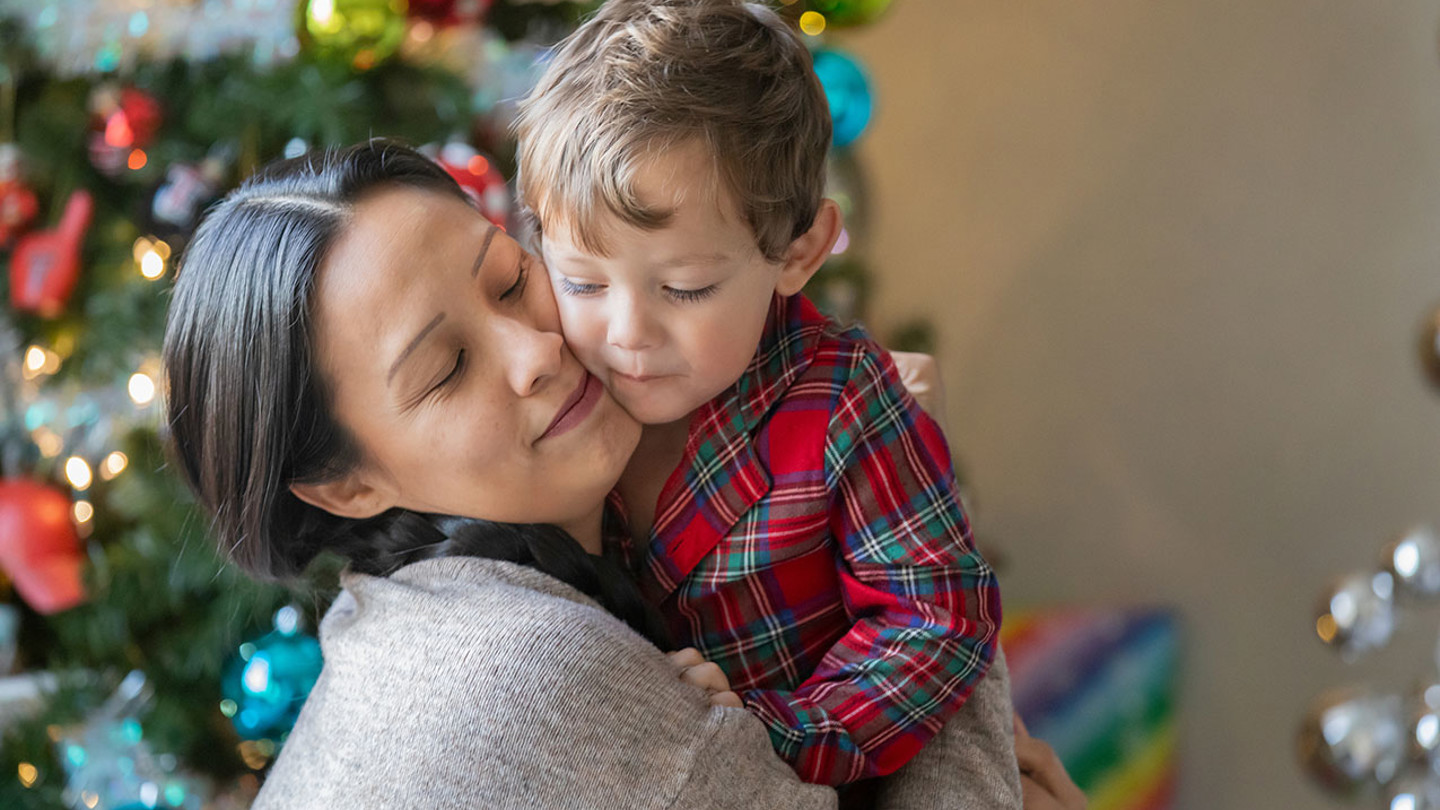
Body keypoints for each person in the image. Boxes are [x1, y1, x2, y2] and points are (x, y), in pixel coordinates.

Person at [163, 140, 1034, 808]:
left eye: (509, 281)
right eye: (444, 370)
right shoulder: (529, 673)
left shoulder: (429, 603)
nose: (537, 351)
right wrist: (914, 480)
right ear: (347, 487)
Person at [512, 0, 1004, 792]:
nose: (626, 333)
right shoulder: (547, 390)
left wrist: (786, 731)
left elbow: (938, 617)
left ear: (799, 251)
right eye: (583, 281)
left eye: (685, 287)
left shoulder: (844, 402)